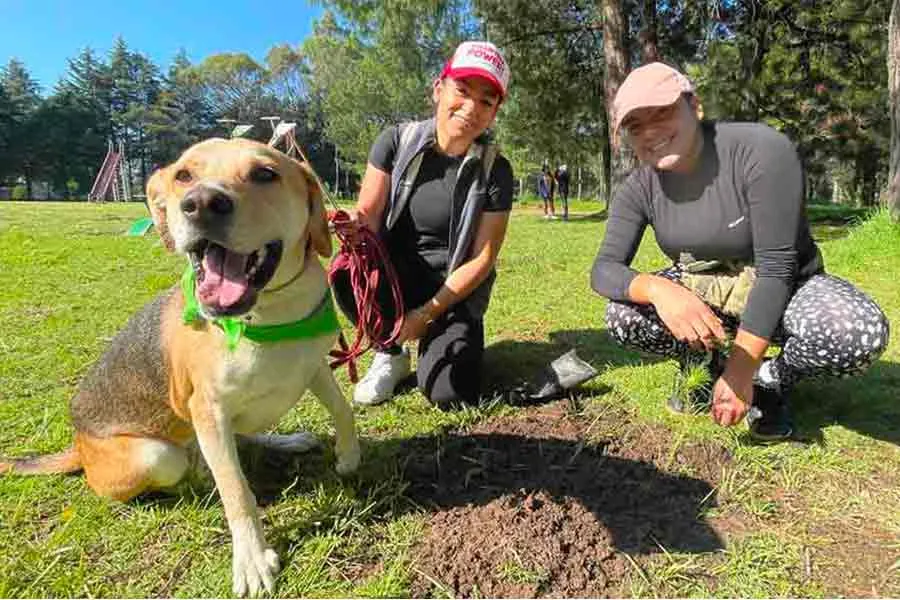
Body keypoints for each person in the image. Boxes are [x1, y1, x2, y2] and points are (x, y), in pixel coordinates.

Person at [590, 62, 890, 441]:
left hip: (783, 291)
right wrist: (656, 289)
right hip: (707, 298)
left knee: (857, 332)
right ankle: (702, 362)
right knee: (622, 314)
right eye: (635, 126)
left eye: (663, 113)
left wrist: (743, 370)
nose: (650, 132)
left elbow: (778, 267)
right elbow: (604, 270)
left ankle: (770, 379)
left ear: (694, 106)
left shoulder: (759, 149)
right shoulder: (640, 187)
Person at [337, 41, 514, 409]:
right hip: (395, 278)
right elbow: (367, 213)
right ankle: (391, 351)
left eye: (486, 101)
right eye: (462, 92)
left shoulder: (496, 169)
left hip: (452, 290)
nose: (470, 108)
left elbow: (483, 259)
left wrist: (427, 314)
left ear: (495, 112)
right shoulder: (395, 141)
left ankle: (440, 336)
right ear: (439, 89)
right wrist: (354, 223)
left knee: (450, 393)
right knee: (345, 273)